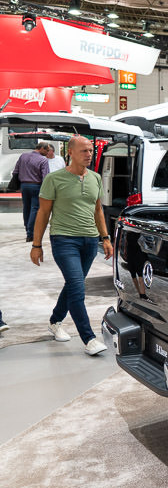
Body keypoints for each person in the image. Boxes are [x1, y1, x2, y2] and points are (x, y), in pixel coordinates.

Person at [30, 135, 113, 356]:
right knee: (77, 287)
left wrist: (105, 238)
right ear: (71, 152)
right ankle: (89, 338)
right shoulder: (54, 179)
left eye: (91, 151)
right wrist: (36, 244)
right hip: (64, 240)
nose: (89, 155)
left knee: (72, 286)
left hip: (89, 241)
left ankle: (55, 321)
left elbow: (98, 210)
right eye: (84, 151)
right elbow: (43, 212)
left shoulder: (95, 178)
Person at [12, 142, 50, 242]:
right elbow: (45, 176)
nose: (48, 153)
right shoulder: (43, 160)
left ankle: (27, 229)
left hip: (24, 186)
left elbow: (15, 171)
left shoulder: (23, 156)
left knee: (26, 208)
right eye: (47, 150)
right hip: (36, 186)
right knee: (35, 209)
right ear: (42, 148)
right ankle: (30, 233)